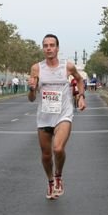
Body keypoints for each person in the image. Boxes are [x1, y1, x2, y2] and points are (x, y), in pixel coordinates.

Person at [28, 34, 86, 200]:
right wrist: (32, 89)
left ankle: (59, 176)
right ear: (43, 49)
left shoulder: (67, 67)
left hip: (64, 113)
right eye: (46, 45)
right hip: (44, 116)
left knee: (58, 148)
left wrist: (81, 96)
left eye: (52, 45)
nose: (49, 48)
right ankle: (50, 181)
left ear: (57, 48)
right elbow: (31, 99)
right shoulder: (36, 68)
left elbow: (80, 81)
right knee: (46, 155)